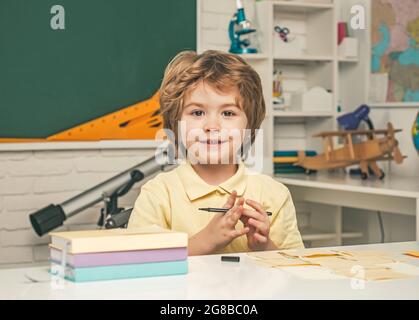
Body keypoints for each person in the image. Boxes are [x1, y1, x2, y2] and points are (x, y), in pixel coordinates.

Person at [128, 50, 303, 255]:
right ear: (176, 124)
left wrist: (264, 247)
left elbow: (294, 270)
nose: (212, 126)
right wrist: (205, 242)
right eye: (197, 112)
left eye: (228, 113)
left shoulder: (275, 195)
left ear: (250, 124)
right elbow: (139, 263)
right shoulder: (158, 194)